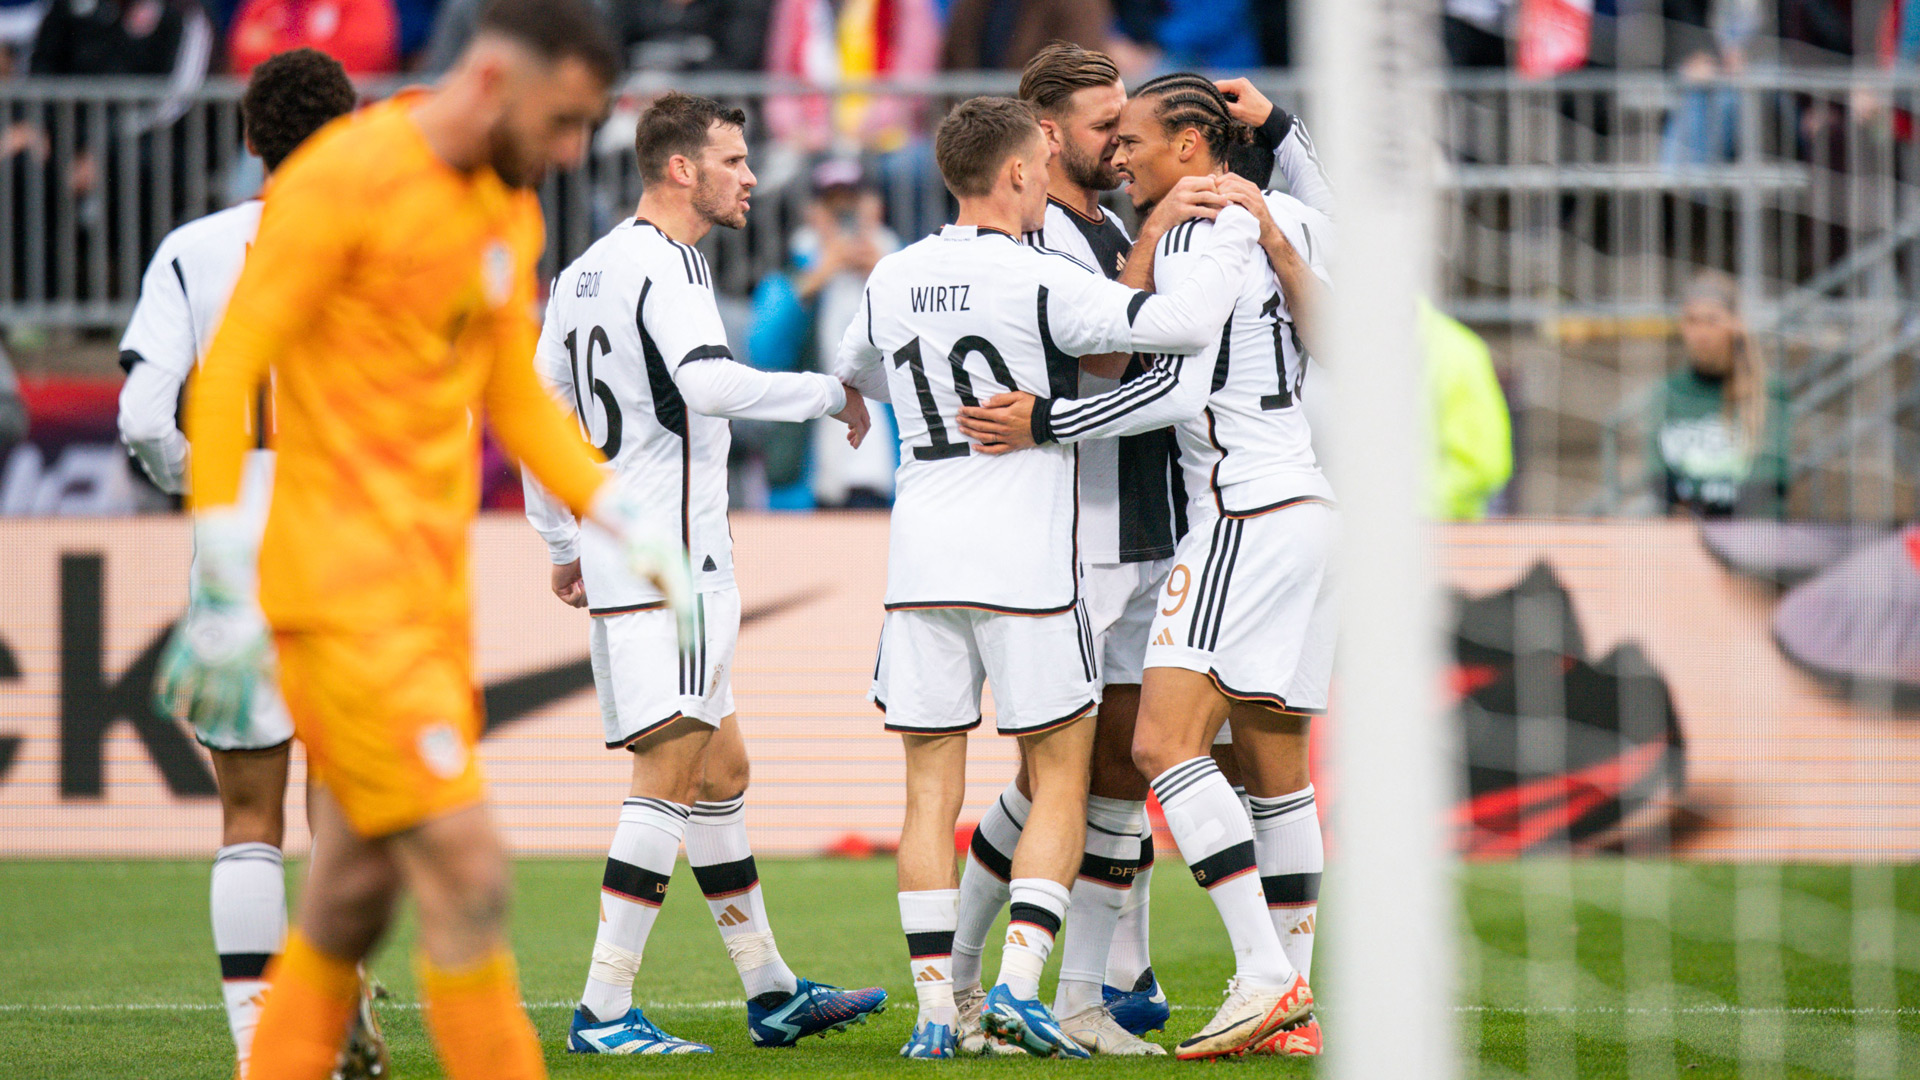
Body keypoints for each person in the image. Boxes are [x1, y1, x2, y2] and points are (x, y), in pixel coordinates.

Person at [156, 4, 693, 1079]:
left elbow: (509, 386)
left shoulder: (505, 209)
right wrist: (220, 566)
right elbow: (224, 384)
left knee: (351, 898)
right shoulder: (340, 184)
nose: (573, 150)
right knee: (466, 872)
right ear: (493, 80)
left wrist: (613, 506)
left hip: (427, 605)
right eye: (565, 120)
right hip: (334, 601)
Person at [833, 94, 1253, 1060]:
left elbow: (857, 367)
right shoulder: (1037, 280)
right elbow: (1178, 329)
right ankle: (1023, 983)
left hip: (919, 563)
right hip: (1025, 564)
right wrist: (1229, 227)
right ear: (1022, 171)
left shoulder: (893, 276)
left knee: (928, 794)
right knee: (1060, 774)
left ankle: (940, 1011)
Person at [957, 74, 1336, 1060]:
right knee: (1271, 760)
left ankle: (1264, 977)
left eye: (1137, 139)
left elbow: (1169, 380)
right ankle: (1289, 1001)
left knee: (1156, 746)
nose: (1123, 156)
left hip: (1238, 510)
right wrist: (1277, 172)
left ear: (1192, 144)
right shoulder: (1280, 211)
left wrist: (1044, 421)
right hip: (1303, 504)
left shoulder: (1205, 231)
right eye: (1109, 136)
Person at [520, 91, 886, 1056]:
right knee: (670, 774)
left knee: (722, 771)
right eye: (732, 159)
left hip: (622, 554)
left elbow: (535, 417)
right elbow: (710, 383)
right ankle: (603, 1010)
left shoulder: (584, 273)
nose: (751, 176)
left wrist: (562, 540)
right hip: (673, 564)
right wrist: (830, 393)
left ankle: (771, 992)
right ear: (681, 169)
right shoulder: (672, 267)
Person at [115, 49, 386, 1078]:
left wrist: (206, 480)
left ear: (248, 141)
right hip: (353, 540)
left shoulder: (194, 249)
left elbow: (144, 415)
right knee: (344, 805)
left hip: (240, 544)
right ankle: (340, 1000)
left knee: (246, 814)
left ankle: (260, 1053)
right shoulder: (383, 247)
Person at [1647, 270, 1789, 518]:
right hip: (1684, 539)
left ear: (1736, 324)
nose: (1701, 334)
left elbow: (1770, 481)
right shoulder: (1668, 392)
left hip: (1752, 539)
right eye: (1692, 321)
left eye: (1712, 321)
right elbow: (1659, 481)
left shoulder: (1769, 392)